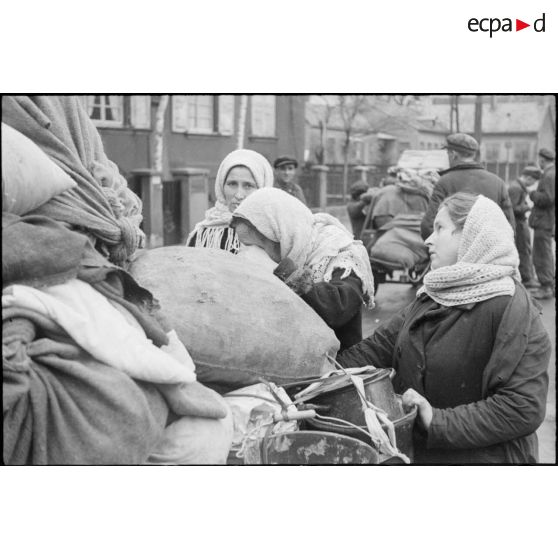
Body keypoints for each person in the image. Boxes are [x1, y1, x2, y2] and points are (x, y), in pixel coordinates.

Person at [338, 192, 550, 464]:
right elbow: (377, 348)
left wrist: (436, 420)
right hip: (424, 454)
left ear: (473, 237)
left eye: (440, 229)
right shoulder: (434, 295)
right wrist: (322, 370)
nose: (428, 239)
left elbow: (522, 407)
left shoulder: (514, 309)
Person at [230, 188, 375, 351]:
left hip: (339, 364)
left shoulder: (340, 254)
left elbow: (337, 309)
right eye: (245, 245)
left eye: (255, 246)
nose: (251, 253)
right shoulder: (288, 252)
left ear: (283, 235)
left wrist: (281, 270)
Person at [420, 133, 515, 239]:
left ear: (453, 154)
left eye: (447, 153)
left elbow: (428, 225)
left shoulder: (444, 182)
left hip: (454, 252)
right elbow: (509, 227)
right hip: (488, 250)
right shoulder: (498, 183)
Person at [186, 149, 273, 253]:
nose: (239, 195)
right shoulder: (204, 235)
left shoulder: (274, 236)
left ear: (262, 189)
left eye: (248, 185)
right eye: (232, 184)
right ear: (221, 187)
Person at [528, 147, 556, 300]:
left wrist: (532, 194)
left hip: (543, 221)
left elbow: (547, 199)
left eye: (539, 159)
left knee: (541, 255)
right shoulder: (552, 174)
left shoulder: (548, 176)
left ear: (542, 160)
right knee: (546, 253)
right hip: (547, 220)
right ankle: (548, 285)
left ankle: (546, 287)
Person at [508, 165, 542, 286]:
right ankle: (527, 278)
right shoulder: (516, 188)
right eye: (533, 181)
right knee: (523, 250)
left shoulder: (517, 187)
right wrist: (529, 207)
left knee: (525, 249)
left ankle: (527, 276)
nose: (533, 184)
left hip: (519, 223)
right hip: (518, 224)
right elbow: (513, 208)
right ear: (528, 177)